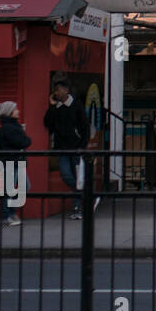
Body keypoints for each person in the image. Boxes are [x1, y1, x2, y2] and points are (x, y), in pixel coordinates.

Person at [44, 79, 92, 219]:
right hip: (61, 148)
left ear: (65, 90)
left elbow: (84, 127)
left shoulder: (76, 106)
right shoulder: (56, 107)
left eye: (58, 90)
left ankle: (77, 208)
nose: (56, 93)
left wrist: (82, 146)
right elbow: (47, 122)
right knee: (66, 175)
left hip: (76, 148)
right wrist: (52, 106)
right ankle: (83, 193)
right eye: (55, 90)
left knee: (77, 177)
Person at [0, 101, 31, 226]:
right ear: (9, 112)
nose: (18, 111)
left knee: (23, 187)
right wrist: (25, 136)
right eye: (15, 109)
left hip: (15, 163)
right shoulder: (9, 128)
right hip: (10, 163)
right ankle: (7, 216)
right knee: (10, 190)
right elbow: (23, 142)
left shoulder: (12, 127)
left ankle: (11, 213)